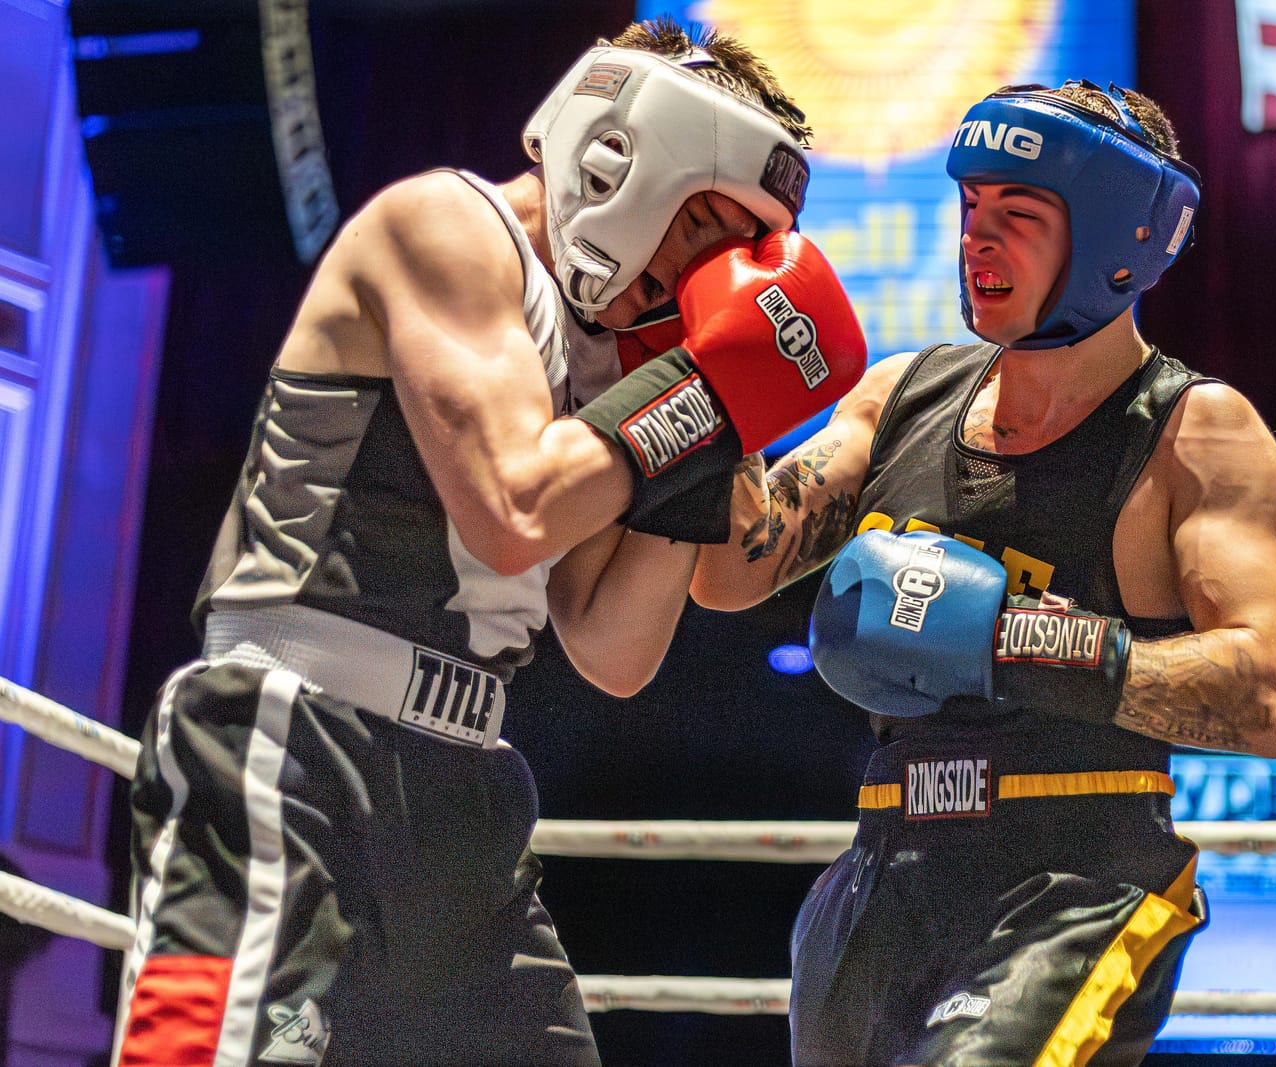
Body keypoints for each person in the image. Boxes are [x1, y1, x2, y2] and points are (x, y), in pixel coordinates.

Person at [113, 18, 865, 1067]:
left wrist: (719, 420)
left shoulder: (621, 363)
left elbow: (612, 647)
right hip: (289, 743)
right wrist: (703, 390)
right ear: (623, 154)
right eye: (705, 227)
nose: (701, 272)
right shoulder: (443, 228)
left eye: (739, 257)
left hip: (465, 788)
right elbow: (512, 513)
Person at [692, 80, 1276, 1066]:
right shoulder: (900, 393)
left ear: (1119, 238)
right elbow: (728, 571)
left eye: (1016, 217)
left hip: (1072, 879)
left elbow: (1270, 695)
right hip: (881, 870)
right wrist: (719, 390)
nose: (976, 240)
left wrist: (1012, 639)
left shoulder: (1193, 430)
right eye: (970, 209)